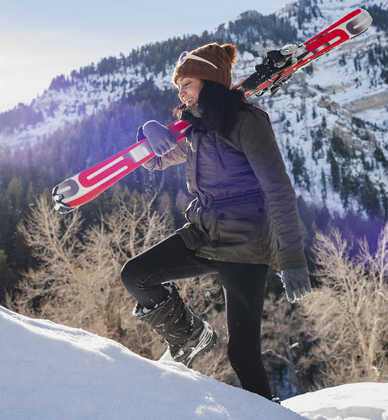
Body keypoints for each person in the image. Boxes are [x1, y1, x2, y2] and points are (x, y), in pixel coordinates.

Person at [119, 42, 311, 400]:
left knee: (242, 355)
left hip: (246, 246)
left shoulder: (247, 122)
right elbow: (156, 160)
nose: (181, 93)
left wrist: (292, 259)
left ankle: (267, 411)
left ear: (208, 81)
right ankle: (189, 334)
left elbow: (279, 190)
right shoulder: (191, 130)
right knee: (135, 275)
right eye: (178, 88)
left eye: (187, 84)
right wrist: (148, 132)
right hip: (203, 234)